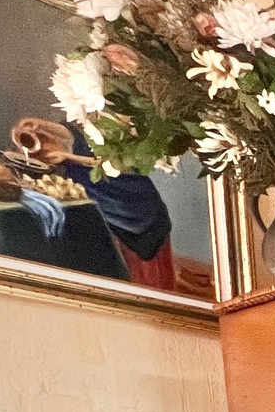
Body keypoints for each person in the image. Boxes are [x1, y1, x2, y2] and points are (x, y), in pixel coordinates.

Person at [10, 117, 177, 288]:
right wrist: (35, 127)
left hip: (134, 201)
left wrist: (67, 157)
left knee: (147, 273)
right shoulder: (67, 137)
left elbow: (109, 165)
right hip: (109, 206)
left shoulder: (101, 136)